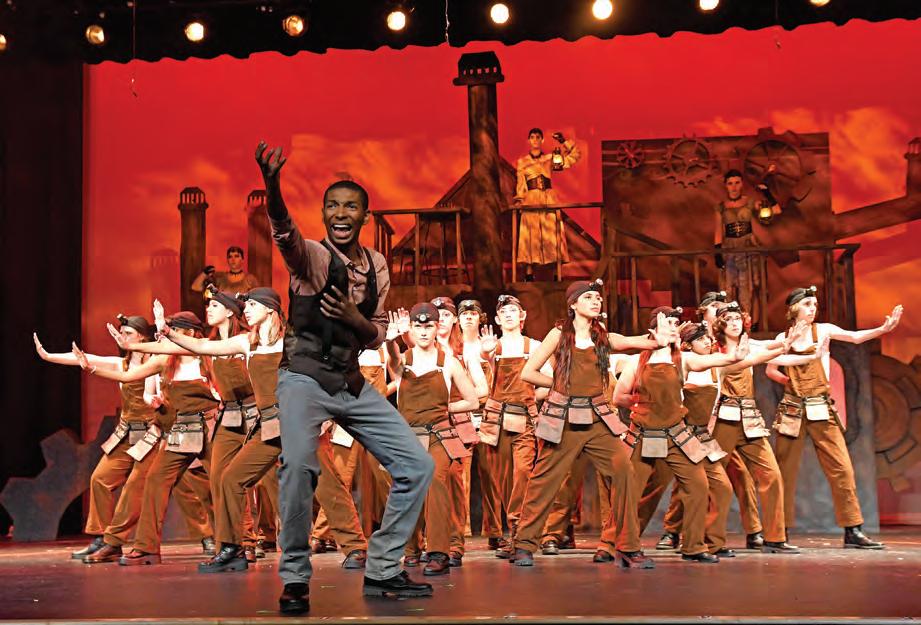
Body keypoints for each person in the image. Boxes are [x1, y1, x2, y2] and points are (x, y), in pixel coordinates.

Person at [255, 142, 435, 615]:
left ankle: (383, 567)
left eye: (350, 206)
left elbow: (376, 334)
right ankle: (295, 577)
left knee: (417, 465)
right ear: (323, 213)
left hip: (349, 380)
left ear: (364, 215)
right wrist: (272, 185)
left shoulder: (376, 265)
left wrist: (355, 319)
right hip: (304, 378)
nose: (341, 213)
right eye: (333, 205)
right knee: (299, 467)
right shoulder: (312, 257)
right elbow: (284, 233)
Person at [509, 280, 670, 568]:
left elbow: (627, 341)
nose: (596, 301)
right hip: (563, 420)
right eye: (589, 297)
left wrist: (654, 341)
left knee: (624, 472)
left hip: (597, 420)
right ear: (573, 304)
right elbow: (528, 373)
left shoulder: (601, 335)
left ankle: (628, 547)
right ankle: (523, 544)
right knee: (543, 480)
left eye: (598, 298)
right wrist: (560, 385)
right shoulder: (559, 334)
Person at [72, 310, 220, 565]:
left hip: (208, 428)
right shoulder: (164, 360)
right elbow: (127, 376)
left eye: (174, 331)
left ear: (191, 333)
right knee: (153, 481)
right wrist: (90, 367)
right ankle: (142, 546)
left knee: (221, 483)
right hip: (176, 432)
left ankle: (239, 542)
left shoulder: (208, 355)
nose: (168, 336)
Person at [769, 287, 902, 549]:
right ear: (794, 308)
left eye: (814, 304)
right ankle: (778, 532)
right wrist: (790, 383)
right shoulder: (782, 338)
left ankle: (853, 529)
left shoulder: (823, 331)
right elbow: (771, 370)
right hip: (793, 410)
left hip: (820, 406)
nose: (812, 308)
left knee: (842, 467)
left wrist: (882, 330)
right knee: (784, 470)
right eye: (807, 304)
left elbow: (854, 337)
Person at [614, 308, 745, 563]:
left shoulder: (683, 359)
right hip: (643, 434)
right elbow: (619, 397)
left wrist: (733, 357)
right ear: (654, 329)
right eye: (669, 323)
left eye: (677, 323)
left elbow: (712, 361)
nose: (674, 327)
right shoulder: (636, 362)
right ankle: (626, 546)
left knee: (698, 485)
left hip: (676, 435)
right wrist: (644, 403)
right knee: (631, 491)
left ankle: (694, 546)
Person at [386, 303, 480, 575]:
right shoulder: (403, 360)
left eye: (428, 326)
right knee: (407, 486)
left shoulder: (448, 362)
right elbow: (393, 361)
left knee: (436, 480)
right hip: (409, 436)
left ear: (437, 328)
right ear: (411, 329)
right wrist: (392, 339)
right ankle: (411, 549)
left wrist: (445, 408)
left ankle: (439, 552)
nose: (424, 332)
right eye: (418, 326)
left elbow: (472, 400)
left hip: (439, 434)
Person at [710, 301, 811, 554]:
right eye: (728, 319)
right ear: (720, 325)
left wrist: (790, 342)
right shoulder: (714, 350)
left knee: (771, 475)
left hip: (750, 421)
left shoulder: (750, 343)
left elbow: (770, 347)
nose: (735, 323)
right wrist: (784, 345)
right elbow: (755, 358)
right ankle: (711, 541)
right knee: (716, 480)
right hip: (724, 420)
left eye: (737, 318)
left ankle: (775, 537)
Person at [479, 294, 546, 557]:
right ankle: (512, 532)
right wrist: (486, 354)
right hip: (496, 421)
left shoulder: (535, 346)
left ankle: (520, 532)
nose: (508, 314)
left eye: (513, 310)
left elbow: (549, 381)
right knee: (502, 479)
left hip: (524, 420)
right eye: (503, 311)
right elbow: (483, 376)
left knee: (523, 473)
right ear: (497, 319)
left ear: (522, 316)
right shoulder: (490, 347)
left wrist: (529, 397)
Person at [514, 128, 581, 281]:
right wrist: (520, 201)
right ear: (529, 140)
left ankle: (557, 273)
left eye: (538, 137)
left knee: (552, 233)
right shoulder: (522, 162)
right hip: (531, 199)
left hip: (548, 198)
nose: (535, 140)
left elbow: (574, 156)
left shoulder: (551, 158)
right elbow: (521, 185)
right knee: (531, 234)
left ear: (542, 140)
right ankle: (529, 274)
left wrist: (563, 141)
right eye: (532, 137)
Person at [714, 169, 780, 319]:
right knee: (729, 288)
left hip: (748, 246)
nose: (734, 187)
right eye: (730, 183)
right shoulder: (721, 207)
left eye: (737, 182)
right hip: (730, 248)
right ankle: (730, 321)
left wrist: (766, 192)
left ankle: (751, 322)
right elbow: (718, 230)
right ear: (726, 185)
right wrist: (717, 252)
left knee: (750, 287)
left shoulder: (749, 203)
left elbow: (776, 210)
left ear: (742, 183)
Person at [191, 246, 261, 295]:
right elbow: (196, 287)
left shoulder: (250, 279)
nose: (233, 259)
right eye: (230, 257)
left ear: (242, 259)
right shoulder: (219, 277)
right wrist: (204, 273)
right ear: (227, 260)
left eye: (236, 256)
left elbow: (258, 300)